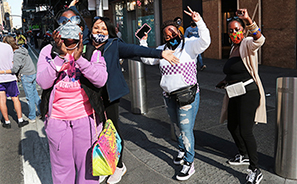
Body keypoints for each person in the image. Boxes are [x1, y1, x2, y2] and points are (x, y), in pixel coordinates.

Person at [83, 16, 178, 184]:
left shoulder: (114, 44)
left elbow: (136, 50)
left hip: (110, 94)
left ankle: (119, 166)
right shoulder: (85, 45)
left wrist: (161, 53)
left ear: (110, 31)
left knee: (112, 130)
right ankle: (106, 164)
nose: (100, 31)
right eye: (97, 27)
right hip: (90, 95)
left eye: (104, 28)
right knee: (96, 131)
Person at [36, 8, 108, 184]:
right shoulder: (48, 51)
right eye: (64, 23)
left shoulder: (92, 51)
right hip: (57, 121)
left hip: (86, 119)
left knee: (88, 170)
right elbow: (43, 82)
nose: (69, 26)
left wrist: (80, 59)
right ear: (57, 30)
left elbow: (100, 80)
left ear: (82, 28)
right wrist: (60, 57)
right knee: (62, 170)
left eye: (74, 22)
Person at [140, 6, 210, 181]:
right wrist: (143, 42)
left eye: (173, 33)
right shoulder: (163, 49)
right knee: (176, 126)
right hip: (169, 96)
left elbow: (206, 41)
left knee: (186, 130)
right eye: (166, 35)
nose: (170, 36)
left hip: (187, 96)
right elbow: (148, 59)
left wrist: (199, 21)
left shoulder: (189, 45)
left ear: (179, 32)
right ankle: (181, 150)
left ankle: (189, 162)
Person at [216, 9, 266, 184]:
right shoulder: (233, 47)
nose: (234, 32)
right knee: (232, 126)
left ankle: (255, 169)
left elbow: (260, 39)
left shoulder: (246, 43)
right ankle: (243, 154)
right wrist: (225, 80)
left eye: (237, 29)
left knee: (245, 130)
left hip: (248, 93)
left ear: (243, 30)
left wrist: (248, 20)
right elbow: (236, 69)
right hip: (234, 91)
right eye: (230, 30)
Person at [1, 35, 41, 123]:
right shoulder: (22, 49)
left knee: (29, 97)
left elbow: (14, 69)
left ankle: (32, 116)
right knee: (35, 94)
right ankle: (42, 112)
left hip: (26, 76)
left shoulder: (16, 55)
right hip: (32, 73)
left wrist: (2, 72)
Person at [0, 41, 29, 129]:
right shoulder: (7, 47)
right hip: (10, 77)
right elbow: (13, 62)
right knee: (15, 99)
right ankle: (20, 120)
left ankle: (7, 122)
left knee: (2, 100)